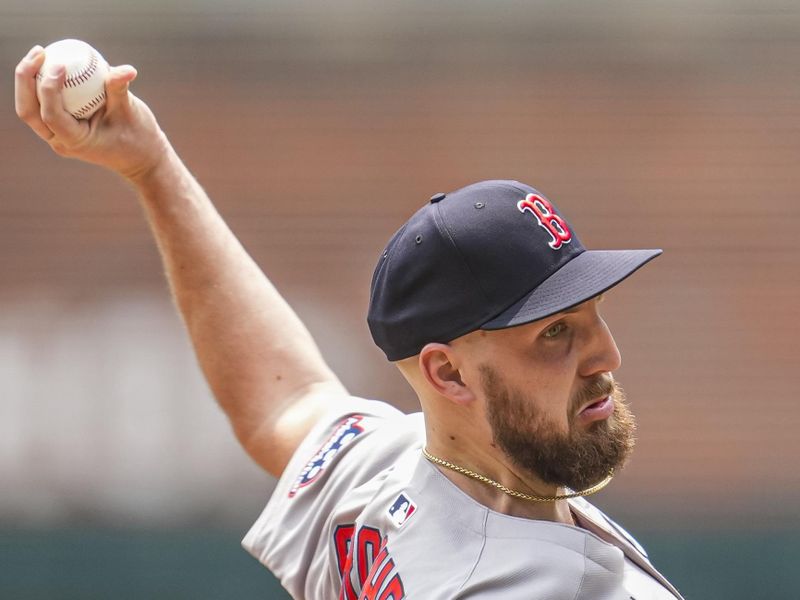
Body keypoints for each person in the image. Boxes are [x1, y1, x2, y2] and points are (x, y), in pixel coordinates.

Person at [15, 45, 683, 599]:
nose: (607, 357)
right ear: (446, 371)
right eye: (556, 333)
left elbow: (283, 398)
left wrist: (152, 165)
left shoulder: (381, 471)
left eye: (592, 316)